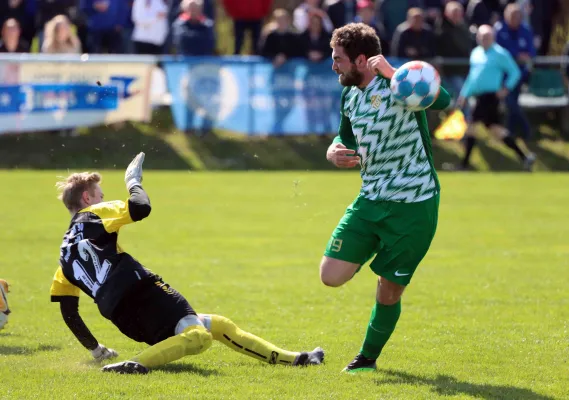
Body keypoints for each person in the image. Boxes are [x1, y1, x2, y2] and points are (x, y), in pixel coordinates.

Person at [51, 153, 324, 374]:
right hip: (142, 292)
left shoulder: (63, 257)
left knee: (217, 325)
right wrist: (133, 182)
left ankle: (297, 360)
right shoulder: (93, 213)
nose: (101, 198)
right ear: (86, 199)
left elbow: (69, 313)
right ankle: (136, 365)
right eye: (99, 194)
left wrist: (95, 349)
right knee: (198, 335)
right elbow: (140, 207)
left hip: (123, 319)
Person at [322, 22, 451, 373]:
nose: (333, 65)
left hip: (414, 204)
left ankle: (367, 358)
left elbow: (445, 99)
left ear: (362, 60)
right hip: (371, 198)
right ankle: (377, 249)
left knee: (389, 291)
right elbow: (344, 137)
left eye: (338, 59)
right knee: (330, 274)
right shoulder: (349, 93)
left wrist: (394, 73)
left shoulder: (400, 84)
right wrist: (335, 151)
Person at [457, 25, 536, 171]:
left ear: (492, 37)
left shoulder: (500, 53)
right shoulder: (476, 52)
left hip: (490, 97)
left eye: (487, 37)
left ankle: (464, 165)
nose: (484, 39)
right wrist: (464, 94)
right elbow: (472, 77)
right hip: (479, 96)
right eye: (481, 37)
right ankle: (525, 157)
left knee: (471, 127)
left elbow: (515, 72)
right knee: (496, 130)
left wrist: (506, 88)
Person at [495, 3, 536, 145]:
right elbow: (500, 52)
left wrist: (524, 56)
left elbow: (531, 52)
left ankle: (510, 133)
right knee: (510, 103)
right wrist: (517, 55)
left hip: (520, 74)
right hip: (503, 76)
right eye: (513, 16)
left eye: (518, 16)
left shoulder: (526, 30)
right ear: (506, 16)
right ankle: (526, 130)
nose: (516, 19)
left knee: (512, 103)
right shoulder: (499, 30)